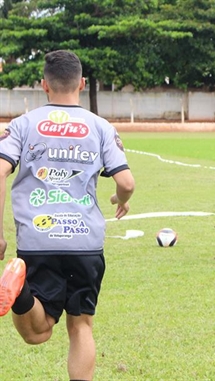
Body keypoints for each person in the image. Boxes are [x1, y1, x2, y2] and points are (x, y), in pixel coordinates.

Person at [0, 50, 135, 381]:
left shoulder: (21, 125)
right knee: (81, 325)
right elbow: (126, 182)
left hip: (36, 239)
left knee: (37, 333)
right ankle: (17, 292)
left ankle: (18, 292)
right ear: (82, 83)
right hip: (84, 242)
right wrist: (120, 197)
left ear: (44, 85)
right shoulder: (100, 126)